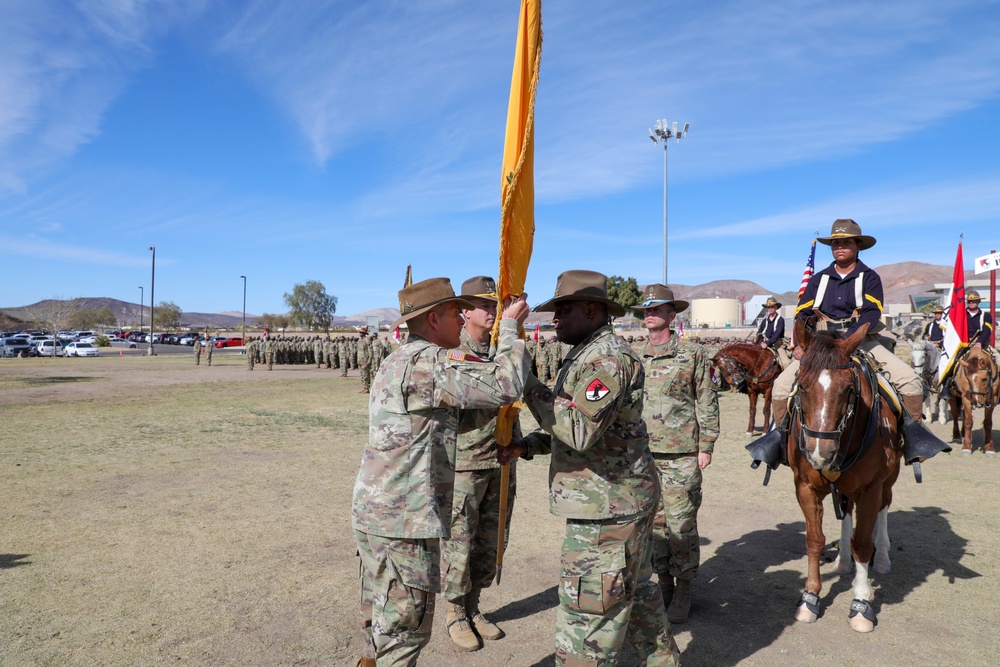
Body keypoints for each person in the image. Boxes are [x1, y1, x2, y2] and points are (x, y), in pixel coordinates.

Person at [499, 270, 679, 667]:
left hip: (608, 511)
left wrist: (526, 380)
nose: (554, 320)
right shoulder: (586, 355)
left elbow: (577, 429)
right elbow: (587, 428)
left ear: (593, 310)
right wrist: (526, 445)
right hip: (615, 501)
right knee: (636, 595)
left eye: (563, 310)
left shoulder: (608, 360)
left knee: (589, 617)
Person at [352, 277, 531, 667]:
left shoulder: (399, 358)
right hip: (404, 522)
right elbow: (504, 385)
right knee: (403, 635)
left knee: (379, 628)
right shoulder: (425, 363)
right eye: (454, 312)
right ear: (434, 319)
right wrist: (513, 329)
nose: (461, 317)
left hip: (382, 515)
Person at [748, 219, 948, 468]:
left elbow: (871, 313)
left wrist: (849, 339)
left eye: (846, 242)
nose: (840, 247)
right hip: (820, 345)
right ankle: (780, 442)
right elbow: (802, 314)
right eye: (835, 243)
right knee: (780, 387)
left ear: (857, 246)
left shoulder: (869, 277)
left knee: (910, 381)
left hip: (861, 342)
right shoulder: (818, 279)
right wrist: (801, 342)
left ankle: (912, 439)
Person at [438, 276, 517, 651]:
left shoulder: (502, 350)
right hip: (466, 463)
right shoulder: (453, 352)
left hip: (501, 460)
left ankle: (474, 606)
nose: (492, 312)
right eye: (484, 305)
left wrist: (517, 441)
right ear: (464, 311)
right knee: (460, 542)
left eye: (495, 305)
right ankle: (454, 611)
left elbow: (515, 398)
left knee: (491, 540)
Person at [634, 284, 719, 624]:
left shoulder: (692, 353)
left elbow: (706, 399)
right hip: (642, 455)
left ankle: (684, 588)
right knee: (653, 526)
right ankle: (664, 584)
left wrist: (706, 445)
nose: (650, 314)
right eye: (646, 310)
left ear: (672, 314)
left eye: (658, 309)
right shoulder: (634, 356)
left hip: (682, 454)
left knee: (681, 525)